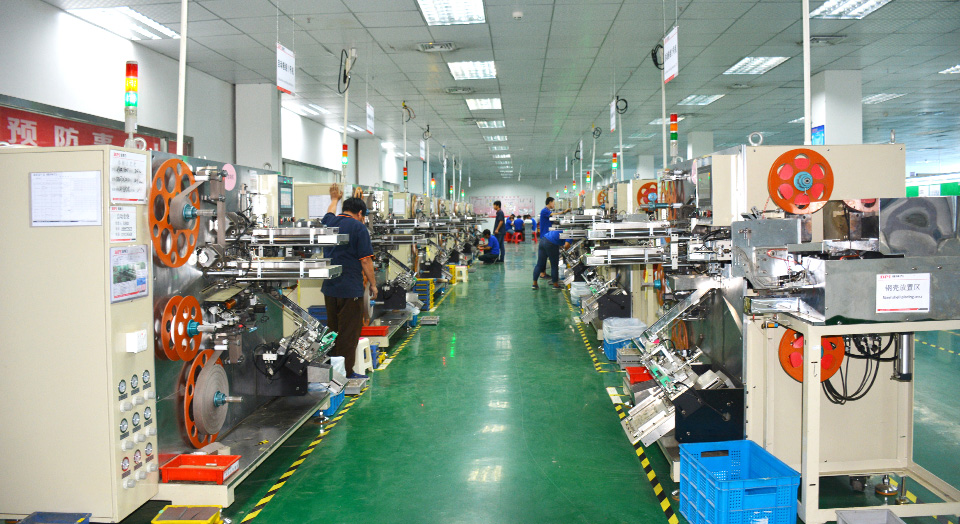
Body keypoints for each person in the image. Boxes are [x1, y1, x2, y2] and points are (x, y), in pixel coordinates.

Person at [320, 184, 377, 377]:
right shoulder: (359, 228)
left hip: (330, 287)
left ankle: (332, 371)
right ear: (360, 213)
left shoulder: (330, 222)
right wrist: (373, 284)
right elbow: (366, 260)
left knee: (333, 330)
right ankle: (346, 373)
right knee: (349, 333)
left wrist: (334, 199)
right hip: (349, 288)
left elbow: (328, 213)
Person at [538, 197, 569, 277]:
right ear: (549, 202)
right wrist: (563, 212)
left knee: (545, 255)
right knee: (544, 256)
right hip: (545, 235)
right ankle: (542, 273)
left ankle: (544, 272)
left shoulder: (548, 211)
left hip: (548, 235)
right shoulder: (544, 210)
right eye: (553, 203)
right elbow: (552, 215)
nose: (554, 204)